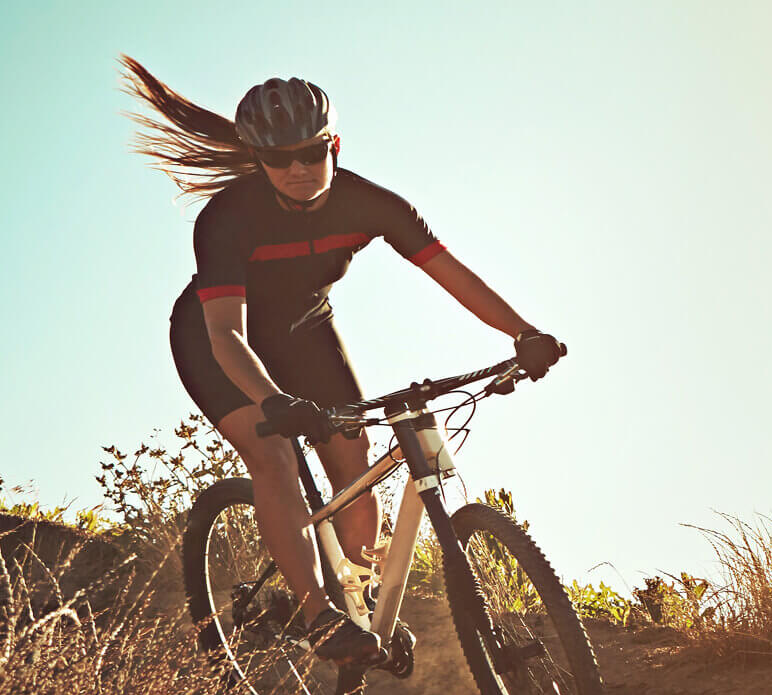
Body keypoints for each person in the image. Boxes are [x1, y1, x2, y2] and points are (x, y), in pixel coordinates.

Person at [123, 57, 562, 663]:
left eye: (311, 152)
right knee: (274, 456)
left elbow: (453, 275)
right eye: (280, 159)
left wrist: (524, 333)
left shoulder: (371, 204)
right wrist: (272, 401)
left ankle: (361, 604)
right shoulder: (226, 219)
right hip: (217, 340)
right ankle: (317, 617)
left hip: (305, 330)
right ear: (259, 161)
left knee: (354, 464)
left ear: (334, 145)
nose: (298, 169)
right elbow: (225, 334)